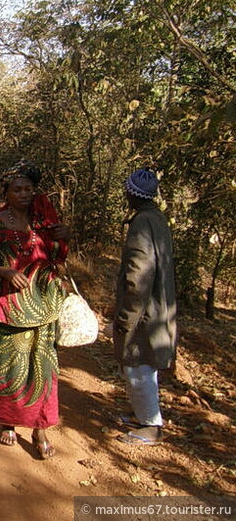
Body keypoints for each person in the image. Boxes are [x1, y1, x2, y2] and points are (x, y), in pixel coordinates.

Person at [0, 160, 71, 460]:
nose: (24, 194)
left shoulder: (44, 220)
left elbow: (56, 256)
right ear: (7, 192)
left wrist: (63, 237)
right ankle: (8, 422)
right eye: (17, 189)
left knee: (43, 368)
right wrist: (5, 273)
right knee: (9, 367)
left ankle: (40, 428)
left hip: (44, 305)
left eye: (28, 188)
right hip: (9, 308)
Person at [111, 168, 177, 446]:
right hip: (159, 305)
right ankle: (142, 416)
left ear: (131, 194)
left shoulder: (141, 223)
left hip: (145, 311)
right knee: (142, 363)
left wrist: (127, 316)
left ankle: (151, 426)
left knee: (138, 363)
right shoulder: (157, 219)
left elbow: (138, 275)